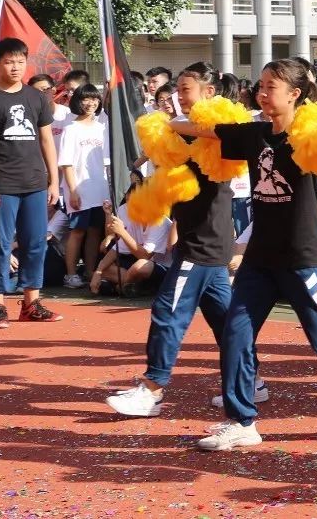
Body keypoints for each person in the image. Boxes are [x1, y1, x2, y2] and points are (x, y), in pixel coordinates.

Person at [173, 59, 317, 451]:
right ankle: (242, 420)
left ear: (294, 94)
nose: (261, 93)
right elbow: (204, 129)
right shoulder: (254, 132)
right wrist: (169, 122)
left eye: (270, 87)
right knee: (236, 332)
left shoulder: (309, 130)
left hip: (301, 256)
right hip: (260, 258)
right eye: (259, 86)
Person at [105, 62, 270, 417]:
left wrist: (167, 127)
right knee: (226, 320)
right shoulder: (190, 130)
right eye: (177, 90)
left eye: (185, 89)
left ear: (209, 93)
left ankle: (152, 388)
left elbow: (193, 145)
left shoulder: (215, 130)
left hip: (204, 242)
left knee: (168, 311)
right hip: (204, 237)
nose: (177, 96)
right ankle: (252, 381)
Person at [0, 38, 61, 327]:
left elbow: (46, 140)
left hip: (34, 182)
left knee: (35, 243)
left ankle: (31, 303)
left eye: (20, 60)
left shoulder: (36, 97)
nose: (16, 66)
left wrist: (54, 181)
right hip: (1, 184)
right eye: (9, 61)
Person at [58, 84, 107, 289]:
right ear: (77, 101)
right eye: (86, 99)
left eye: (94, 99)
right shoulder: (70, 129)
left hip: (100, 187)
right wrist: (73, 190)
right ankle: (70, 274)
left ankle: (89, 270)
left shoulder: (103, 127)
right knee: (78, 231)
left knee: (95, 231)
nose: (91, 103)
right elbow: (66, 162)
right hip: (79, 189)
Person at [92, 192, 174, 296]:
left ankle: (121, 287)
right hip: (140, 271)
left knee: (141, 266)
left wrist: (122, 232)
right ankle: (135, 286)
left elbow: (145, 256)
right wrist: (98, 272)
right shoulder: (135, 221)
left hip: (165, 270)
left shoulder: (160, 221)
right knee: (104, 267)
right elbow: (116, 249)